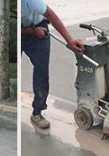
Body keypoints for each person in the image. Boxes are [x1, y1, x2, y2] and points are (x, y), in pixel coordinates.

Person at [21, 0, 84, 130]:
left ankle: (37, 113)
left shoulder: (30, 1)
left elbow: (51, 15)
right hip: (22, 32)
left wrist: (70, 41)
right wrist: (32, 31)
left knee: (42, 71)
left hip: (39, 27)